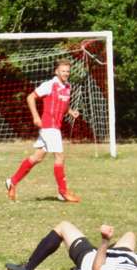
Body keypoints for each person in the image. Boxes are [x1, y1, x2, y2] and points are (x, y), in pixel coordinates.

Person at [5, 58, 81, 202]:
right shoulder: (49, 85)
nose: (66, 73)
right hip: (49, 126)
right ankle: (63, 192)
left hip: (55, 126)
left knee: (37, 157)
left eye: (67, 71)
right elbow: (30, 97)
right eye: (63, 71)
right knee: (60, 156)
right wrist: (35, 117)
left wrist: (70, 111)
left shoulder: (67, 86)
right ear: (56, 71)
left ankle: (12, 181)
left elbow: (63, 105)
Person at [5, 221, 137, 270]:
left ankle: (27, 268)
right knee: (130, 235)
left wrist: (104, 241)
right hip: (117, 257)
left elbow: (97, 269)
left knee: (63, 226)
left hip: (89, 260)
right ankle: (108, 251)